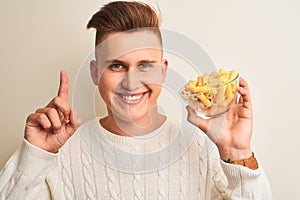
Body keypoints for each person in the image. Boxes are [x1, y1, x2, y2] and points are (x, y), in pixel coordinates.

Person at [0, 1, 271, 199]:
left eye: (144, 65)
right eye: (116, 66)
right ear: (95, 73)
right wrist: (35, 155)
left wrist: (237, 155)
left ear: (163, 71)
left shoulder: (203, 148)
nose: (131, 82)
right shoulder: (60, 154)